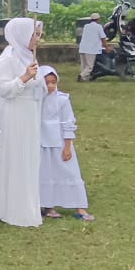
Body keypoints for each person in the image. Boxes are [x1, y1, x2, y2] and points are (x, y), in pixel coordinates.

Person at [0, 17, 45, 228]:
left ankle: (26, 204)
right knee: (15, 156)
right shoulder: (7, 59)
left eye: (39, 35)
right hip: (14, 113)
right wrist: (23, 78)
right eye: (35, 35)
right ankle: (9, 206)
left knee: (28, 156)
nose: (38, 39)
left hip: (29, 112)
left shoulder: (29, 57)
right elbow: (3, 89)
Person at [38, 66, 94, 221]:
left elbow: (68, 121)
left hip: (60, 142)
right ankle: (48, 206)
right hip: (41, 144)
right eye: (46, 82)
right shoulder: (36, 101)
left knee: (69, 172)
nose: (50, 86)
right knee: (45, 173)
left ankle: (80, 207)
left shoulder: (62, 99)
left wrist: (67, 145)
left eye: (53, 83)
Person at [78, 13, 108, 82]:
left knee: (84, 65)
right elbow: (103, 38)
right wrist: (106, 47)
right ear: (98, 19)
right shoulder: (99, 26)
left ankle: (84, 78)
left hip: (83, 47)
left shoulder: (86, 26)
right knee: (89, 66)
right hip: (91, 49)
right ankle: (81, 76)